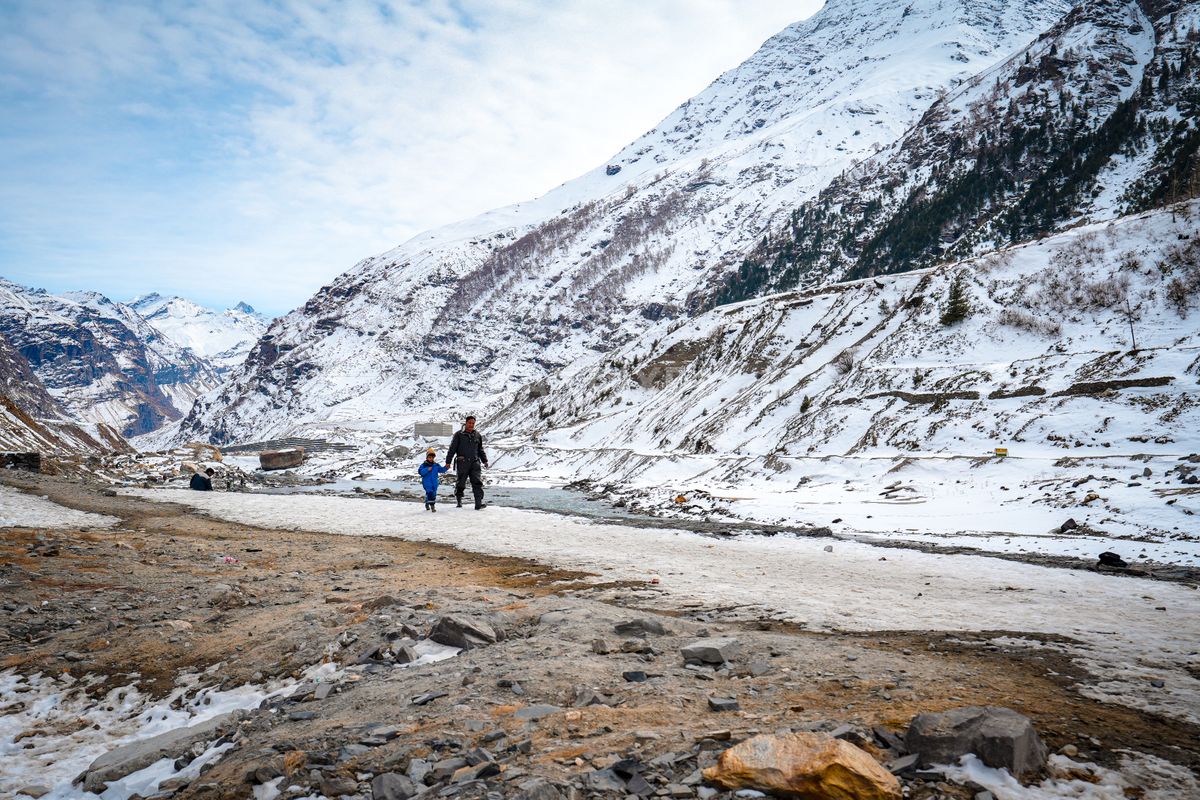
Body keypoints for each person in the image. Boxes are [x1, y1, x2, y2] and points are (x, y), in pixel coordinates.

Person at [445, 414, 489, 509]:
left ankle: (478, 504)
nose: (471, 425)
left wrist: (484, 460)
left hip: (475, 463)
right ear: (466, 423)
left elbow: (480, 449)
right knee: (461, 482)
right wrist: (448, 462)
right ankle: (459, 501)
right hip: (462, 463)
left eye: (473, 423)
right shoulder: (458, 435)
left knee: (477, 483)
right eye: (469, 423)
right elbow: (452, 449)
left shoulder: (477, 435)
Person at [418, 447, 448, 512]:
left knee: (433, 494)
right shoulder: (423, 465)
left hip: (434, 483)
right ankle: (432, 507)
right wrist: (427, 469)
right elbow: (421, 472)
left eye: (432, 457)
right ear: (427, 457)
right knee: (430, 493)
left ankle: (427, 503)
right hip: (427, 483)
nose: (431, 459)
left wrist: (446, 467)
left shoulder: (436, 465)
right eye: (429, 457)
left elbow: (442, 470)